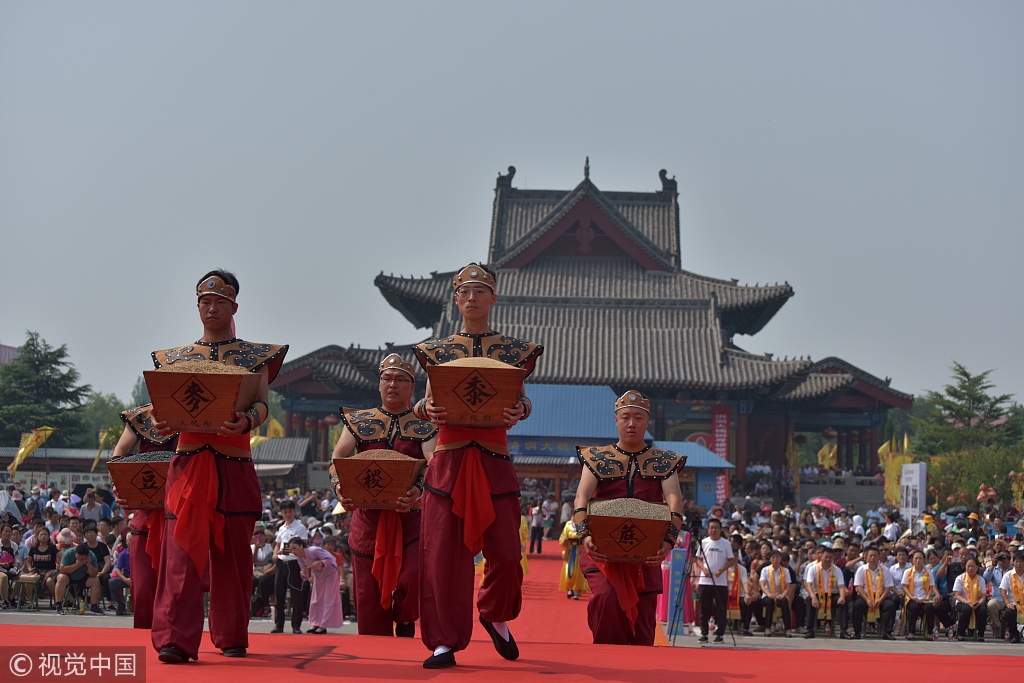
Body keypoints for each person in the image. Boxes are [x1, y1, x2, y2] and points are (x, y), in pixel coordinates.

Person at [148, 270, 288, 663]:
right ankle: (175, 639)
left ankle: (231, 635)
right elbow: (163, 411)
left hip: (234, 463)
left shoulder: (254, 356)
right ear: (197, 307)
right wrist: (162, 422)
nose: (212, 308)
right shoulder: (174, 359)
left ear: (234, 307)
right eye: (205, 302)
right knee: (179, 553)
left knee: (234, 556)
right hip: (189, 464)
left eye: (220, 302)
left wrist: (248, 420)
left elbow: (262, 403)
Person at [411, 263, 543, 669]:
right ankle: (443, 642)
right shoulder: (437, 350)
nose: (472, 297)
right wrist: (424, 407)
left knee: (506, 553)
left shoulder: (512, 351)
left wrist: (520, 408)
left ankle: (494, 612)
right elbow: (425, 404)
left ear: (493, 299)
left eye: (480, 291)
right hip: (448, 461)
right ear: (455, 299)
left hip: (494, 459)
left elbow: (523, 400)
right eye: (465, 291)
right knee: (441, 556)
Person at [329, 353, 437, 637]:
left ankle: (404, 618)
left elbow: (433, 462)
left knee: (411, 576)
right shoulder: (359, 420)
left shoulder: (425, 424)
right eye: (387, 379)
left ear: (412, 388)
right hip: (368, 516)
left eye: (400, 380)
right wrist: (340, 487)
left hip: (410, 515)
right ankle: (374, 649)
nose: (393, 385)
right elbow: (338, 458)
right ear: (378, 385)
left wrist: (418, 491)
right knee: (367, 591)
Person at [573, 391, 684, 645]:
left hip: (646, 550)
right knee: (606, 600)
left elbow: (675, 500)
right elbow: (581, 497)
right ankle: (607, 661)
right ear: (616, 420)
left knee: (643, 621)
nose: (632, 423)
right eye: (625, 417)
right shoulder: (595, 458)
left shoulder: (664, 462)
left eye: (638, 417)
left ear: (647, 421)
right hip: (602, 548)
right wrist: (584, 534)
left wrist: (668, 541)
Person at [110, 406, 179, 629]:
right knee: (143, 588)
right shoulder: (140, 417)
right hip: (145, 511)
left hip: (181, 512)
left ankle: (176, 640)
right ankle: (143, 637)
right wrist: (118, 485)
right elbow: (119, 454)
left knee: (178, 587)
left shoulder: (199, 416)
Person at [287, 537, 343, 633]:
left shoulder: (313, 550)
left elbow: (330, 559)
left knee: (328, 599)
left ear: (301, 546)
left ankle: (323, 625)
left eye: (295, 548)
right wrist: (304, 573)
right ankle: (316, 623)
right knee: (316, 599)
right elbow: (304, 570)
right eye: (291, 549)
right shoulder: (300, 557)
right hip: (319, 576)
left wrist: (320, 562)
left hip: (330, 573)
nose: (293, 551)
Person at [695, 518, 735, 642]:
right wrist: (704, 570)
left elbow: (731, 560)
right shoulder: (704, 542)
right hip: (705, 580)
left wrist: (722, 570)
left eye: (716, 528)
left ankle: (720, 633)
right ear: (708, 529)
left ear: (720, 529)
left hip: (720, 581)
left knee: (721, 608)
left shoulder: (725, 543)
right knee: (704, 608)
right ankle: (704, 633)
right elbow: (698, 559)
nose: (713, 530)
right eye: (711, 527)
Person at [272, 499, 309, 633]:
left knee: (296, 596)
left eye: (290, 511)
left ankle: (296, 625)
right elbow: (277, 544)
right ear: (282, 513)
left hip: (295, 563)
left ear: (294, 511)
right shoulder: (281, 528)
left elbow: (302, 546)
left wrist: (286, 550)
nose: (288, 514)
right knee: (279, 595)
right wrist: (276, 554)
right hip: (282, 563)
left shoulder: (300, 528)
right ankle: (278, 625)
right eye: (285, 512)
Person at [803, 546, 847, 638]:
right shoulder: (813, 568)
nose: (827, 559)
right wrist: (813, 597)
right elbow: (809, 584)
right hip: (817, 594)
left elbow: (841, 586)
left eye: (830, 557)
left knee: (843, 603)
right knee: (809, 601)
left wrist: (842, 597)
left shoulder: (837, 570)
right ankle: (810, 630)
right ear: (821, 557)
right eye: (826, 557)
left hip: (832, 595)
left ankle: (844, 630)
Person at [852, 547, 896, 639]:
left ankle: (887, 632)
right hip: (865, 596)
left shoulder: (885, 570)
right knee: (857, 605)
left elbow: (888, 588)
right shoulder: (861, 569)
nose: (873, 558)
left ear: (879, 557)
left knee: (890, 606)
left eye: (875, 556)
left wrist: (880, 600)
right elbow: (858, 587)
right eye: (870, 556)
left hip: (880, 596)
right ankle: (857, 632)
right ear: (866, 557)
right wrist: (867, 599)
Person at [902, 549, 942, 640]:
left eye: (920, 558)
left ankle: (929, 633)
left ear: (924, 560)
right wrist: (912, 597)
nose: (918, 560)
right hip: (912, 597)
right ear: (912, 560)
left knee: (930, 608)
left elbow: (931, 586)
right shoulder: (908, 572)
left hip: (925, 598)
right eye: (916, 558)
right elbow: (904, 587)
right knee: (914, 607)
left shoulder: (928, 572)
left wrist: (927, 597)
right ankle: (911, 632)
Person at [54, 543, 101, 614]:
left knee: (95, 580)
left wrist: (89, 565)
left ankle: (94, 606)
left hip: (83, 576)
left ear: (87, 556)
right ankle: (58, 605)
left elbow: (94, 574)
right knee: (61, 577)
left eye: (82, 559)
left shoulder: (92, 556)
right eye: (78, 558)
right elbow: (62, 569)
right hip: (69, 576)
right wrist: (77, 565)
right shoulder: (69, 553)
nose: (80, 559)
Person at [952, 557, 988, 641]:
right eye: (968, 566)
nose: (970, 568)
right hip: (963, 602)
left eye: (973, 566)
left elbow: (983, 596)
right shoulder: (960, 578)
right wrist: (966, 602)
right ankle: (961, 633)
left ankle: (981, 634)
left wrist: (979, 604)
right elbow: (957, 595)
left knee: (982, 610)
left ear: (977, 567)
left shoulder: (981, 580)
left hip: (976, 602)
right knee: (966, 610)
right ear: (965, 567)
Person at [759, 550, 792, 636]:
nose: (775, 559)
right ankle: (767, 628)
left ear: (780, 559)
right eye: (773, 557)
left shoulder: (785, 571)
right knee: (770, 601)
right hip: (768, 594)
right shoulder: (765, 570)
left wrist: (783, 595)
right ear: (770, 559)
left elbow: (788, 586)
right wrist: (769, 594)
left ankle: (788, 628)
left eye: (777, 557)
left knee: (785, 601)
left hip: (781, 594)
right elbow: (762, 585)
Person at [557, 519, 587, 600]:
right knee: (569, 572)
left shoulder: (583, 525)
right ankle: (570, 589)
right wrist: (564, 541)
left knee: (578, 573)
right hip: (570, 552)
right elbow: (562, 537)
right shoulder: (568, 525)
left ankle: (576, 591)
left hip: (579, 553)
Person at [998, 550, 1024, 642]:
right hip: (1013, 603)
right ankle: (1014, 635)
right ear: (1013, 562)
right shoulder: (1008, 575)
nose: (1019, 564)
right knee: (1009, 612)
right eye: (1017, 561)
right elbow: (1003, 590)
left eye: (1021, 562)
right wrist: (1008, 603)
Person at [109, 532, 132, 616]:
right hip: (126, 575)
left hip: (138, 577)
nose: (132, 542)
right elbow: (117, 569)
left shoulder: (141, 553)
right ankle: (120, 604)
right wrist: (125, 579)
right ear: (126, 541)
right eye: (130, 540)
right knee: (112, 582)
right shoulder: (123, 554)